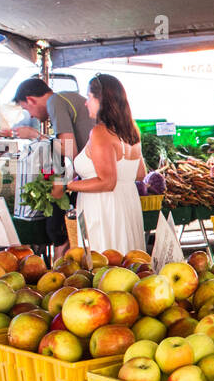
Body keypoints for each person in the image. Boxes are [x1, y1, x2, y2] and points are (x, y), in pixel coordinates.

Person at [52, 74, 146, 256]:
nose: (86, 103)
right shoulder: (132, 130)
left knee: (104, 262)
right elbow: (140, 173)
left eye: (89, 97)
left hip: (103, 209)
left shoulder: (100, 132)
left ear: (101, 100)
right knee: (128, 261)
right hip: (127, 204)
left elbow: (107, 182)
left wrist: (67, 185)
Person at [12, 77, 94, 259]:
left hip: (90, 177)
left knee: (59, 230)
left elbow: (69, 150)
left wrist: (35, 135)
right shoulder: (65, 100)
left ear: (31, 99)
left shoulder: (55, 102)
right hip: (91, 175)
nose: (31, 115)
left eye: (27, 109)